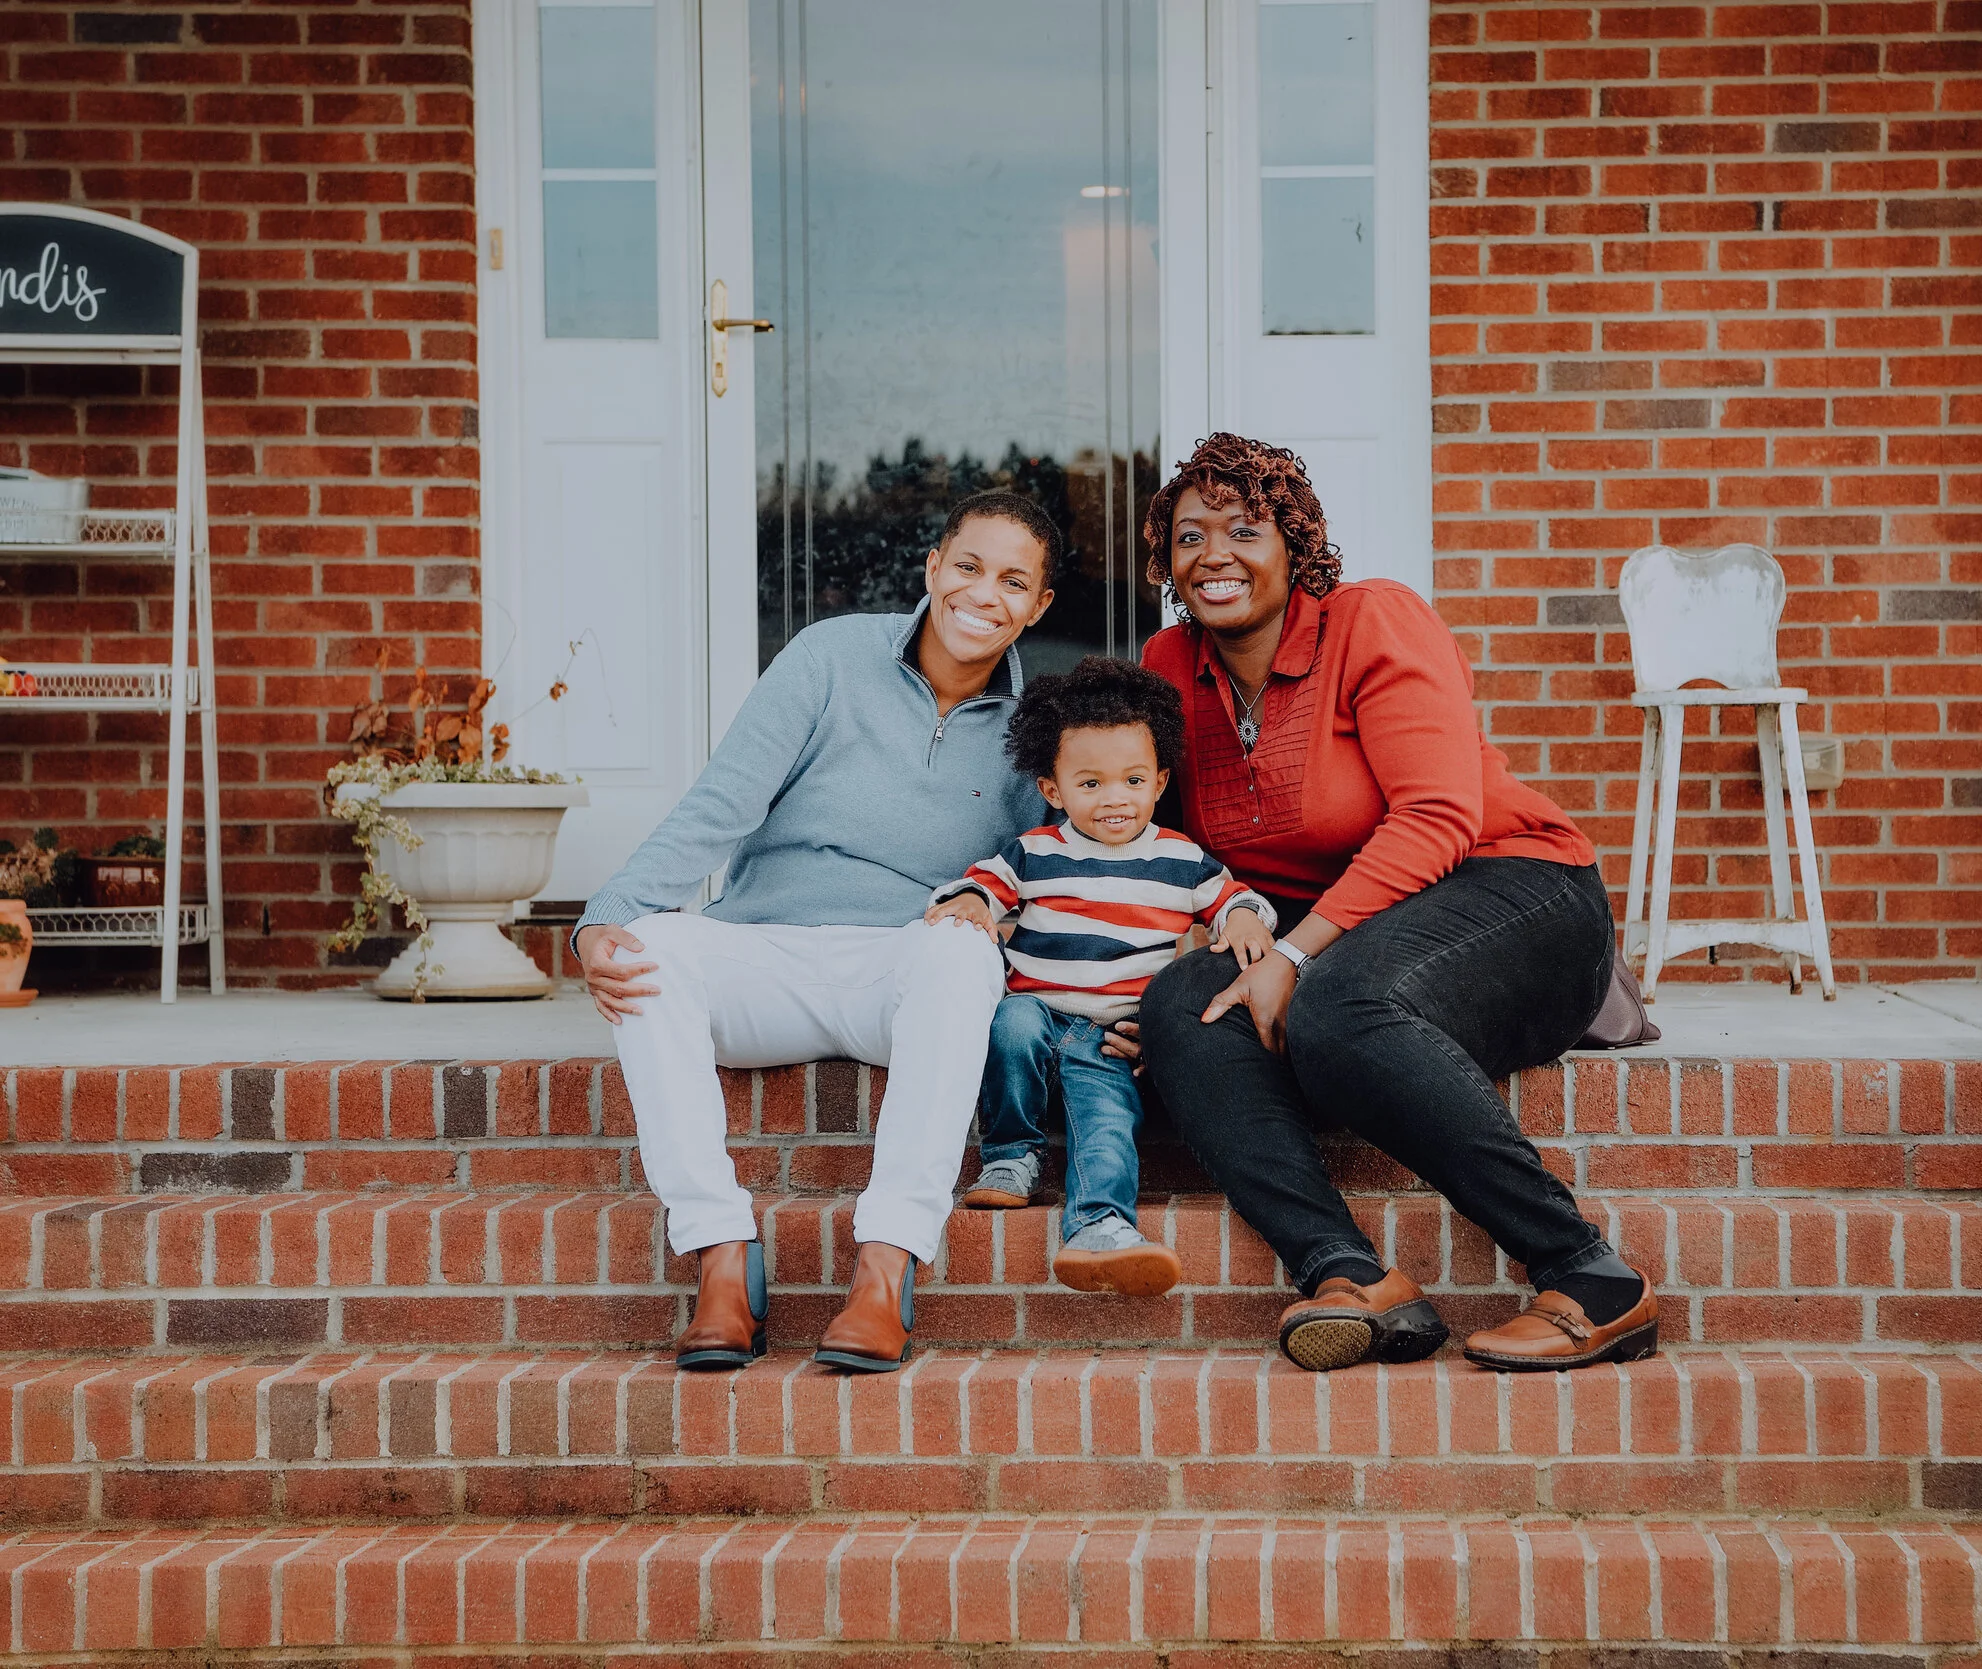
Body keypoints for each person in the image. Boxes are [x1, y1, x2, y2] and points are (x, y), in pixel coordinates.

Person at [1132, 433, 1659, 1374]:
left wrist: (1295, 956)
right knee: (1180, 1006)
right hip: (1346, 930)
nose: (1213, 553)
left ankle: (1591, 1274)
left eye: (1244, 529)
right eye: (1189, 534)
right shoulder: (1170, 664)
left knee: (1336, 1004)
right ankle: (1350, 1277)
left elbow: (1439, 817)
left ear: (1296, 544)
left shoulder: (1372, 620)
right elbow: (1164, 846)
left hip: (1518, 893)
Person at [571, 490, 1058, 1374]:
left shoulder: (1035, 729)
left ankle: (885, 1268)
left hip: (899, 965)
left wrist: (1000, 908)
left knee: (963, 954)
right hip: (767, 951)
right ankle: (721, 1255)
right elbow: (723, 803)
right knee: (653, 951)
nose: (984, 593)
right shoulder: (830, 656)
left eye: (1014, 581)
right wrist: (604, 916)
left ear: (1038, 607)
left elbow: (1041, 865)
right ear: (933, 569)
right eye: (970, 567)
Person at [930, 656, 1276, 1299]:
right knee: (1008, 1025)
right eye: (1090, 783)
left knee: (1108, 1121)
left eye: (1132, 780)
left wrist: (1250, 919)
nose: (1114, 798)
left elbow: (1234, 899)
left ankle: (1100, 1227)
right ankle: (1011, 1156)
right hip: (1037, 1013)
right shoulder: (1035, 850)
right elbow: (980, 886)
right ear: (1054, 789)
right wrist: (972, 903)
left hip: (1113, 1035)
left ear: (1159, 782)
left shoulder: (1179, 859)